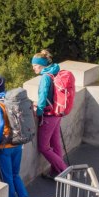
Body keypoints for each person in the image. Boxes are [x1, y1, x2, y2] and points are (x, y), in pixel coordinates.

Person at [0, 74, 33, 197]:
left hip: (5, 147)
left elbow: (1, 123)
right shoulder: (11, 99)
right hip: (18, 143)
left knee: (7, 178)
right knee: (15, 174)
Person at [31, 49, 68, 177]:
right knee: (55, 143)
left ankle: (64, 171)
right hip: (57, 112)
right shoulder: (53, 71)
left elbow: (42, 97)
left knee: (43, 147)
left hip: (49, 115)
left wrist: (38, 112)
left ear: (41, 65)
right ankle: (56, 171)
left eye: (35, 65)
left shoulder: (45, 78)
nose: (33, 68)